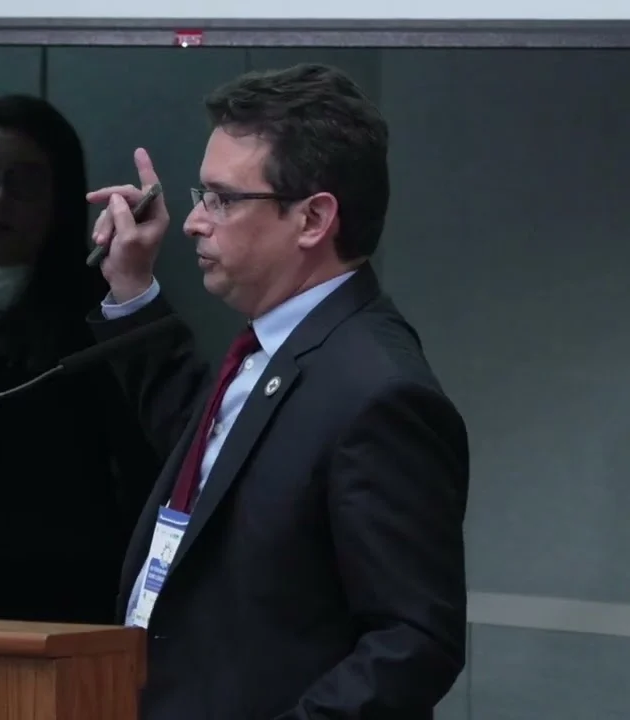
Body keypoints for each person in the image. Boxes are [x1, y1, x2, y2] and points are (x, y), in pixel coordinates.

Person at [86, 64, 469, 718]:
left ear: (313, 218)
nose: (193, 223)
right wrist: (132, 287)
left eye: (222, 199)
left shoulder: (380, 393)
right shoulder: (277, 346)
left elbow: (412, 641)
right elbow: (215, 466)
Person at [0, 94, 161, 624]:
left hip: (69, 588)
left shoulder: (102, 316)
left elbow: (140, 469)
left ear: (58, 197)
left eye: (22, 182)